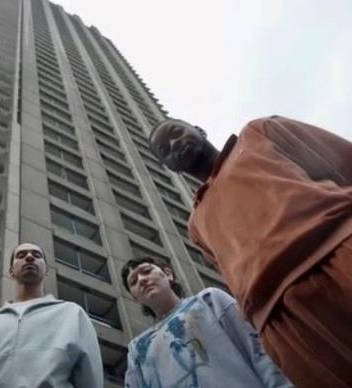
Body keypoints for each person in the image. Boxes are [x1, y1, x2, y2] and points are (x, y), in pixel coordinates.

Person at [148, 116, 352, 387]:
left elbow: (342, 160)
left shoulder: (259, 133)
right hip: (281, 318)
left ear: (198, 129)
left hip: (337, 250)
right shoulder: (196, 224)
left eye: (176, 132)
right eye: (165, 150)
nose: (174, 143)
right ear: (170, 168)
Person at [121, 257, 292, 387]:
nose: (142, 280)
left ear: (168, 274)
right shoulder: (137, 348)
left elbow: (258, 349)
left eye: (146, 271)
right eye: (133, 282)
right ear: (135, 298)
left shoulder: (209, 300)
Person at [0, 242, 104, 388]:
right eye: (21, 255)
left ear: (46, 269)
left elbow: (91, 381)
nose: (29, 257)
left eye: (36, 255)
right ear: (10, 271)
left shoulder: (72, 314)